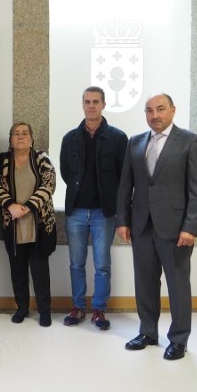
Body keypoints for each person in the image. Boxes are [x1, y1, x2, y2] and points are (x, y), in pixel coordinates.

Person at [117, 93, 197, 361]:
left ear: (173, 110)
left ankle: (179, 339)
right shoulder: (135, 143)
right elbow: (125, 186)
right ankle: (147, 332)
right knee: (144, 282)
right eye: (149, 110)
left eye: (160, 109)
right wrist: (122, 220)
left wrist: (190, 227)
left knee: (178, 285)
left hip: (176, 228)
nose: (154, 115)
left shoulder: (190, 141)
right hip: (141, 225)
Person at [59, 86, 128, 330]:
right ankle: (78, 307)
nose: (91, 105)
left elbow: (123, 176)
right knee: (76, 263)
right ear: (82, 105)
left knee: (102, 264)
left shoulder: (118, 138)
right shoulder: (70, 138)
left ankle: (99, 310)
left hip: (104, 212)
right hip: (76, 210)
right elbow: (67, 173)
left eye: (96, 101)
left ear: (103, 104)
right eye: (87, 101)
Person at [0, 122, 57, 327]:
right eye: (16, 133)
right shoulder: (2, 160)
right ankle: (22, 308)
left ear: (31, 138)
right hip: (13, 226)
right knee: (17, 272)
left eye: (25, 133)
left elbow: (49, 185)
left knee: (40, 272)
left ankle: (44, 311)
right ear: (10, 139)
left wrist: (27, 207)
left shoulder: (41, 158)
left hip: (39, 226)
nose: (20, 136)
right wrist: (10, 206)